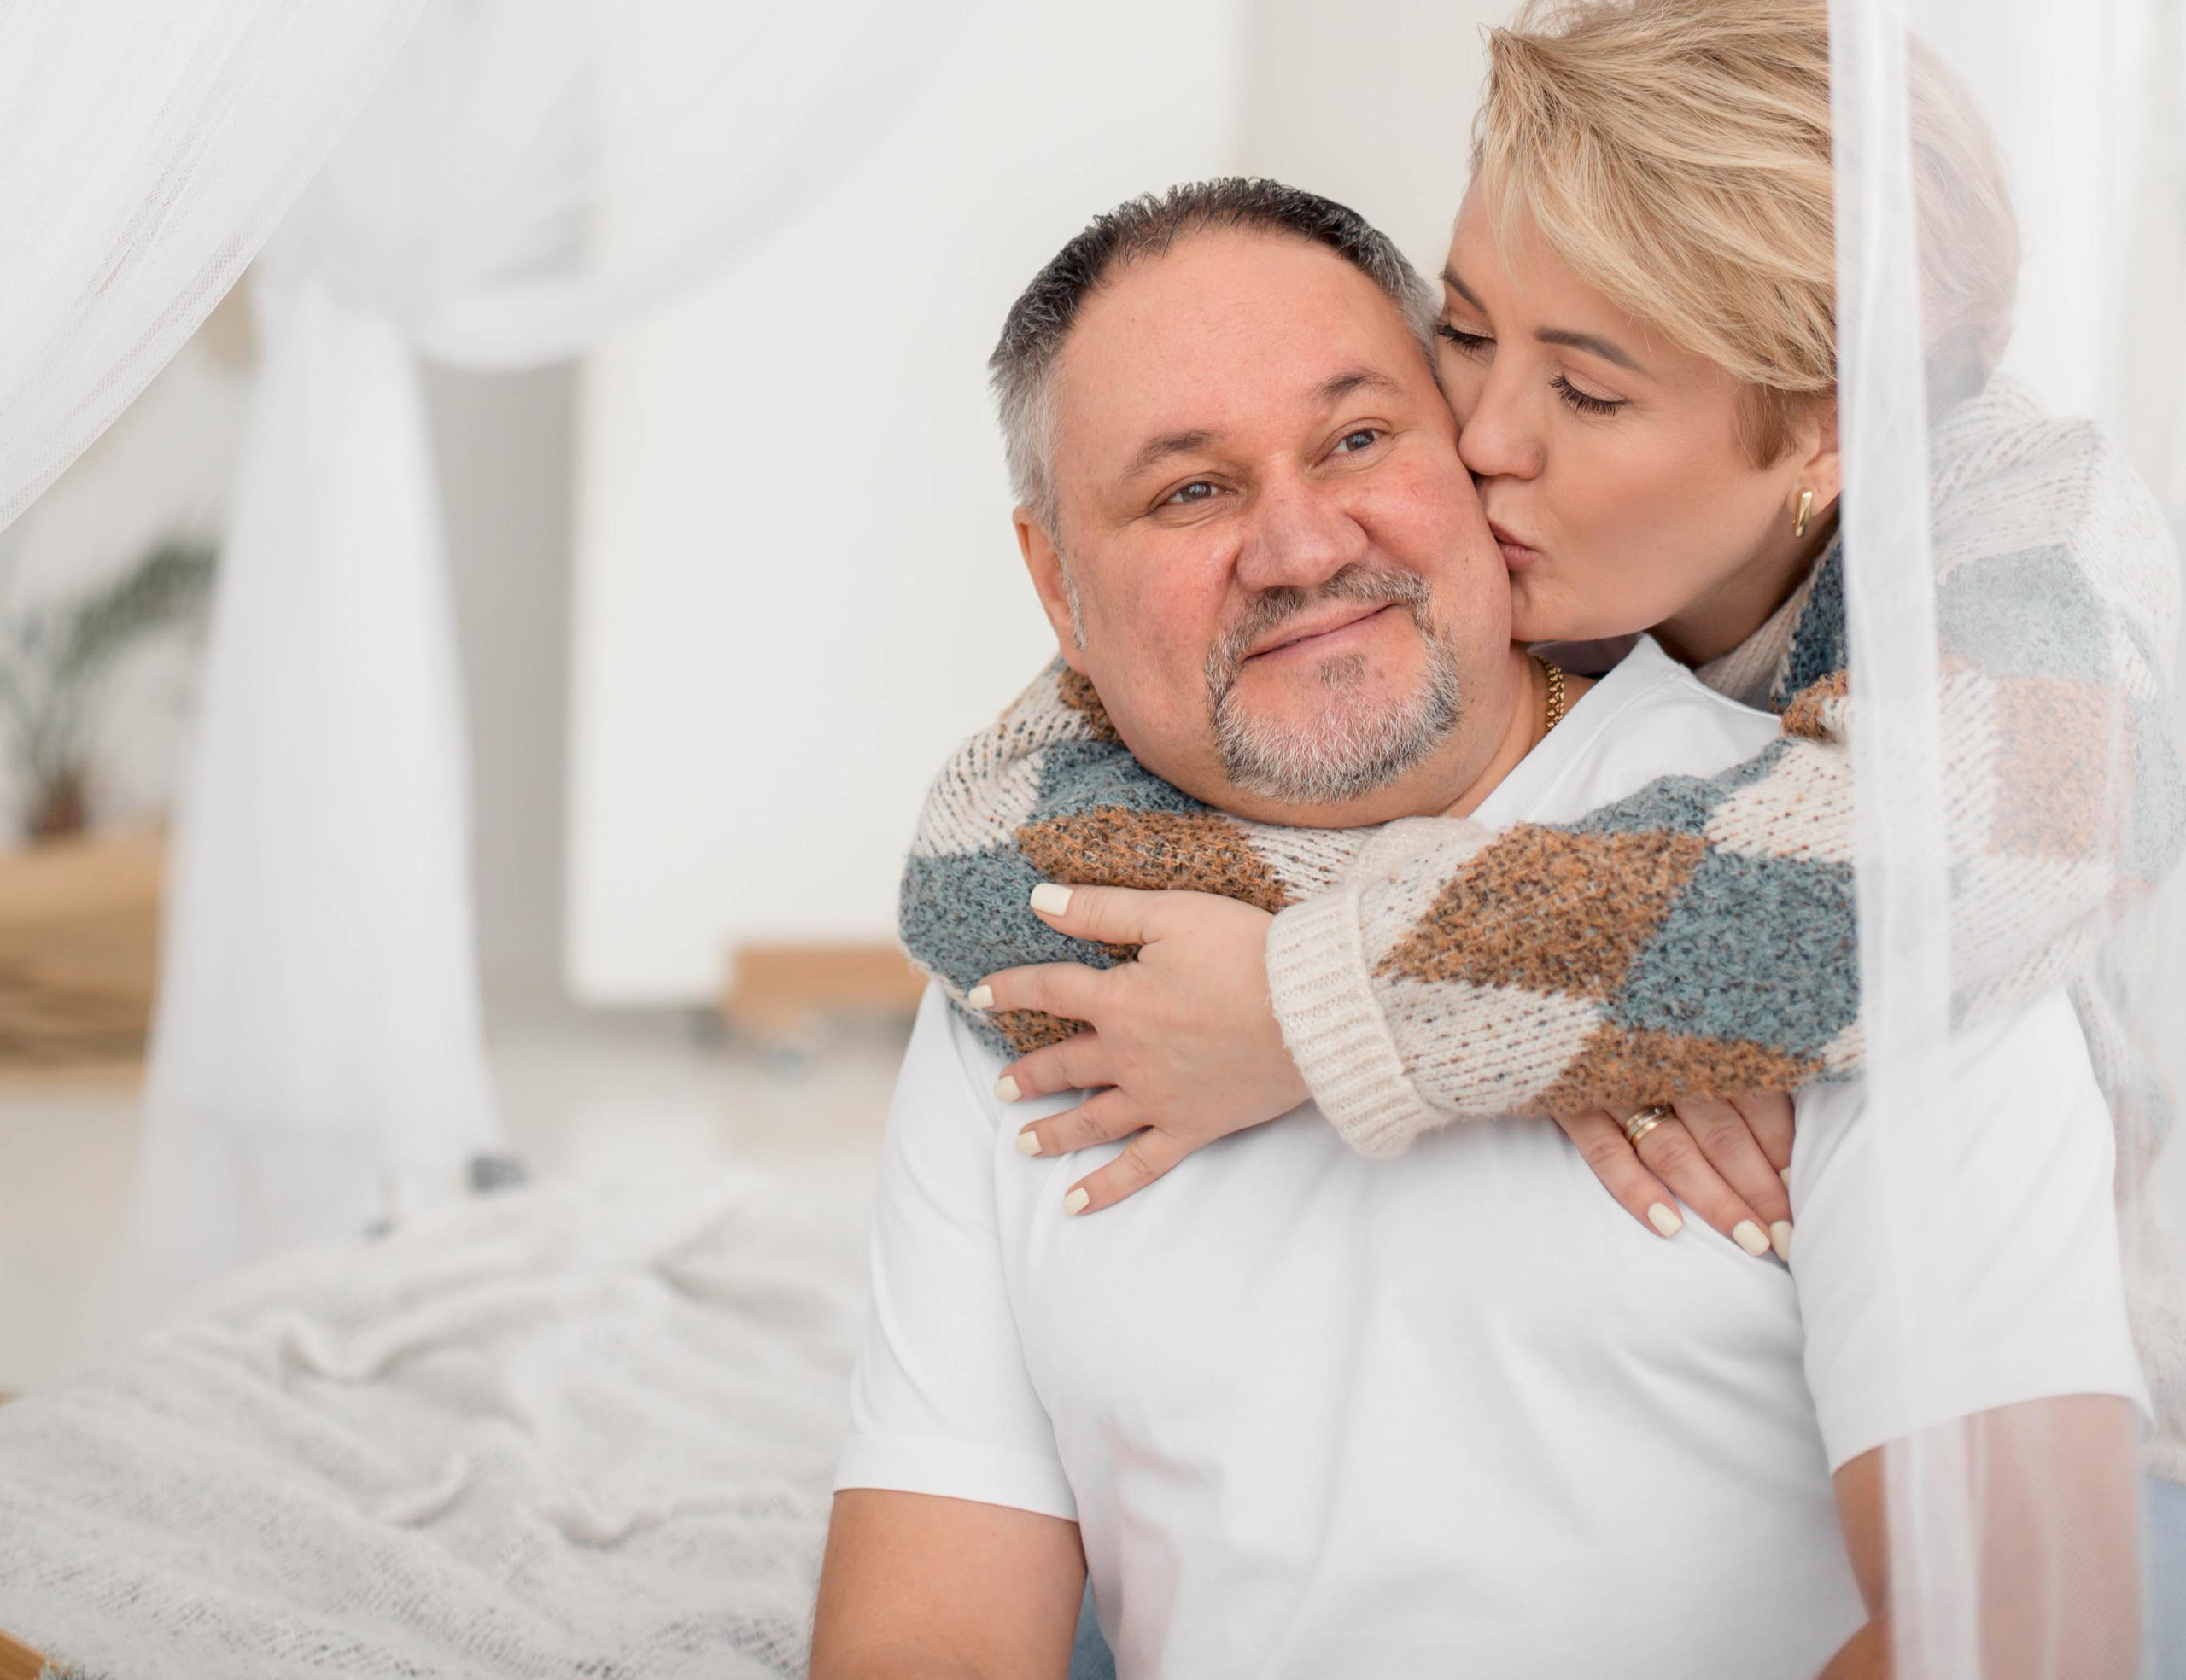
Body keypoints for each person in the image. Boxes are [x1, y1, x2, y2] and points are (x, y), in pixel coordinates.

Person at [814, 190, 2142, 1679]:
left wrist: (1608, 990)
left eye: (1358, 439)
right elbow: (927, 1628)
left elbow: (2018, 1624)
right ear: (1057, 584)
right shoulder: (1052, 979)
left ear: (1478, 461)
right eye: (1189, 492)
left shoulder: (1847, 914)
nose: (1301, 546)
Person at [903, 0, 2181, 1327]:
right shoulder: (1562, 543)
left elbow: (1934, 871)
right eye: (1462, 333)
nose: (1485, 439)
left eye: (1585, 390)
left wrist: (1320, 1012)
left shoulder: (2028, 536)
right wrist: (1596, 1020)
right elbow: (983, 851)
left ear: (1834, 426)